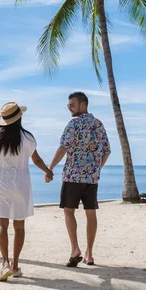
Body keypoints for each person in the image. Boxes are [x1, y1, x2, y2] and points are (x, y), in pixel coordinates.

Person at [0, 102, 53, 281]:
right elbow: (36, 159)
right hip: (21, 183)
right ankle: (15, 266)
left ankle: (5, 263)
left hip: (1, 183)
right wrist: (47, 171)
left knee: (1, 224)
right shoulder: (27, 138)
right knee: (19, 226)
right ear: (19, 117)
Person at [47, 92, 110, 267]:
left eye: (72, 105)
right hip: (91, 179)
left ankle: (75, 249)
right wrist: (96, 168)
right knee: (91, 213)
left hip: (72, 176)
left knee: (68, 211)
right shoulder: (98, 124)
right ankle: (89, 254)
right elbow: (107, 151)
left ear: (83, 104)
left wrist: (50, 168)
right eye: (68, 105)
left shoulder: (74, 124)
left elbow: (62, 148)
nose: (69, 108)